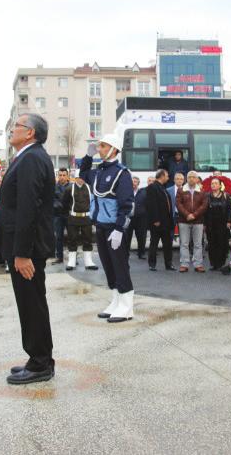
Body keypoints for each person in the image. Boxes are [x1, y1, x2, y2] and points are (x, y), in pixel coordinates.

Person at [0, 113, 56, 384]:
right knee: (30, 303)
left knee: (32, 303)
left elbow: (28, 208)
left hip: (27, 249)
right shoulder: (28, 156)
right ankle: (37, 358)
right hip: (23, 245)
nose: (11, 130)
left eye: (16, 126)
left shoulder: (32, 158)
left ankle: (41, 363)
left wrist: (22, 253)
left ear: (30, 132)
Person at [80, 134, 136, 323]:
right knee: (108, 266)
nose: (99, 149)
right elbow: (83, 176)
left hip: (115, 228)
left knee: (120, 266)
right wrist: (87, 157)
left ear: (114, 149)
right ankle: (116, 301)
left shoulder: (122, 173)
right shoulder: (99, 170)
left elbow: (127, 205)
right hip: (102, 226)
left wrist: (120, 229)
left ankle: (126, 306)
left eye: (103, 146)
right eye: (99, 146)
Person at [61, 173, 98, 271]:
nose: (81, 180)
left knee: (88, 239)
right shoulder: (69, 188)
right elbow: (64, 203)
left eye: (83, 178)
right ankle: (71, 262)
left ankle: (88, 262)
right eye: (79, 178)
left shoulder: (90, 188)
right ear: (75, 178)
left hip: (86, 218)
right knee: (72, 239)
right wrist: (68, 214)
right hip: (73, 218)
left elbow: (94, 201)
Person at [176, 170, 207, 272]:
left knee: (198, 244)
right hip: (183, 220)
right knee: (184, 243)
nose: (191, 179)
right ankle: (184, 264)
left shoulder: (202, 191)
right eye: (189, 177)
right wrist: (187, 214)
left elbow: (204, 205)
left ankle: (198, 264)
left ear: (197, 179)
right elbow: (178, 204)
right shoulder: (181, 190)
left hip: (198, 221)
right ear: (186, 178)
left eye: (193, 177)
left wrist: (194, 215)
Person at [146, 169, 175, 272]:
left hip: (166, 222)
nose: (168, 178)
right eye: (167, 176)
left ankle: (169, 264)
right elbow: (151, 205)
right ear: (162, 176)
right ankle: (152, 264)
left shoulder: (163, 188)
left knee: (168, 244)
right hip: (157, 222)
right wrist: (155, 219)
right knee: (154, 243)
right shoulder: (152, 187)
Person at [204, 177, 231, 270]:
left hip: (222, 223)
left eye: (216, 183)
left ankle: (221, 263)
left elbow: (230, 210)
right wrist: (204, 223)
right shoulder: (207, 195)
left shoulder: (226, 195)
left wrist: (229, 221)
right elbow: (204, 210)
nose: (214, 185)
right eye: (212, 183)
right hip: (210, 223)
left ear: (220, 185)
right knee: (212, 243)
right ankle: (213, 263)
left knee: (222, 243)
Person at [126, 176, 148, 260]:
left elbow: (147, 204)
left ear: (138, 183)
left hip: (141, 218)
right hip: (129, 218)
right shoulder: (126, 192)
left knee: (141, 237)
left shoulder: (143, 192)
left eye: (135, 182)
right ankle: (126, 253)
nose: (133, 183)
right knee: (127, 237)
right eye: (132, 181)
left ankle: (141, 253)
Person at [52, 168, 70, 264]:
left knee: (72, 236)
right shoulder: (54, 187)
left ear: (67, 176)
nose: (62, 177)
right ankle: (59, 257)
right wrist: (59, 205)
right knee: (58, 237)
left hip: (69, 215)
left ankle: (72, 257)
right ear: (58, 176)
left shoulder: (71, 187)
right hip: (57, 215)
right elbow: (52, 201)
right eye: (60, 175)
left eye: (64, 175)